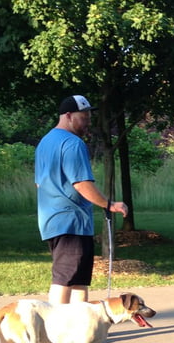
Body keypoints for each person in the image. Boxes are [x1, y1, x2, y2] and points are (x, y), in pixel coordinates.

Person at [35, 94, 128, 304]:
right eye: (83, 117)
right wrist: (109, 204)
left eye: (89, 117)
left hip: (54, 220)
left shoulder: (45, 142)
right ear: (68, 115)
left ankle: (80, 329)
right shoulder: (72, 143)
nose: (88, 121)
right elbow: (82, 184)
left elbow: (39, 183)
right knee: (65, 278)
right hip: (71, 221)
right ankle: (56, 330)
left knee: (79, 279)